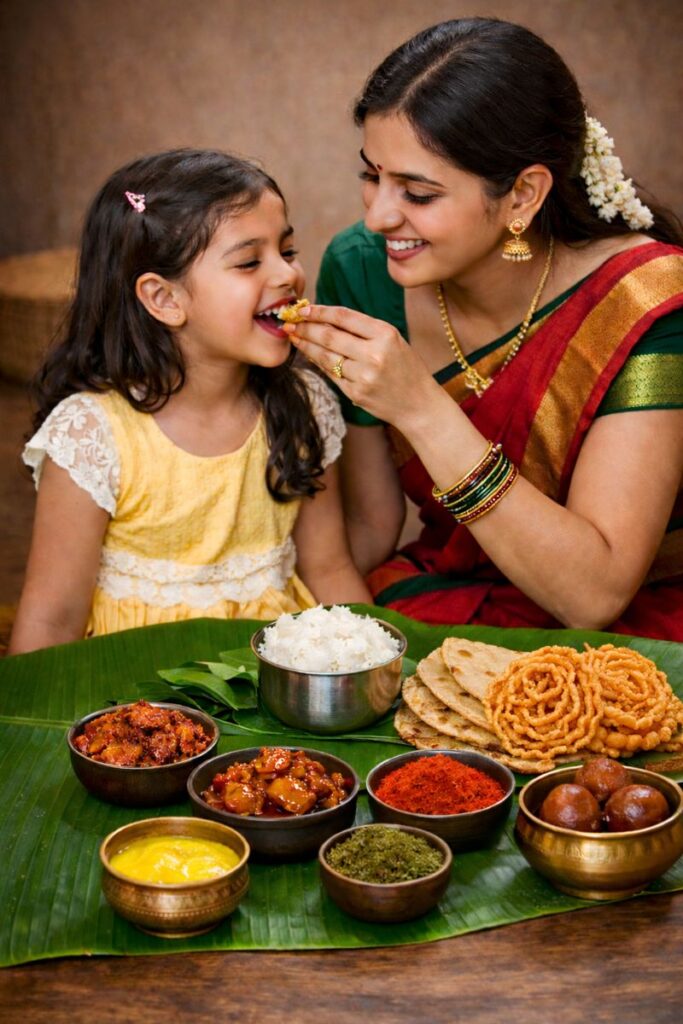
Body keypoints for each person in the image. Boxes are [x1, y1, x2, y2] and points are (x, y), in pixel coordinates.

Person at [284, 17, 683, 641]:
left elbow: (594, 595)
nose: (381, 215)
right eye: (371, 175)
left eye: (417, 192)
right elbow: (371, 524)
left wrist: (422, 409)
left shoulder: (643, 303)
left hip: (628, 623)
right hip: (448, 594)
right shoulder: (361, 270)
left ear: (523, 195)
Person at [9, 149, 371, 654]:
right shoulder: (92, 435)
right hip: (136, 699)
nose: (288, 275)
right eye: (249, 261)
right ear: (165, 299)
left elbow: (330, 569)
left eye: (286, 252)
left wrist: (376, 666)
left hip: (276, 683)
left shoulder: (303, 403)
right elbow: (51, 620)